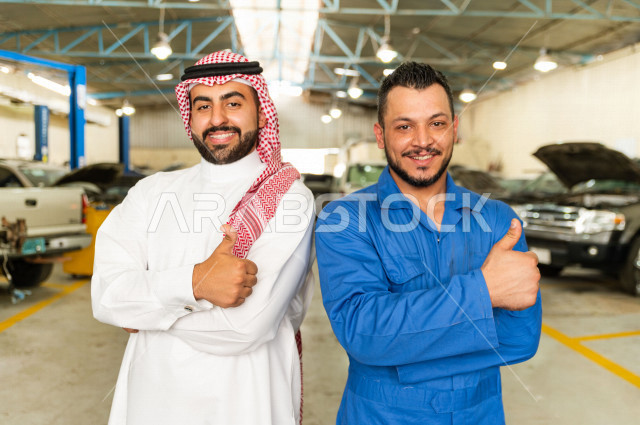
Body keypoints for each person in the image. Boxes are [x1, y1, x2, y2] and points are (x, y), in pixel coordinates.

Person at [92, 51, 315, 425]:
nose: (217, 119)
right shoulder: (150, 192)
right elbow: (106, 297)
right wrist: (195, 283)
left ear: (261, 113)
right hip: (150, 403)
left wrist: (148, 310)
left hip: (246, 403)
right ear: (188, 116)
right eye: (203, 105)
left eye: (233, 102)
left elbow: (244, 328)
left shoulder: (287, 197)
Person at [315, 62, 542, 425]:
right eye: (404, 126)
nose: (422, 141)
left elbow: (520, 340)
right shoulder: (344, 219)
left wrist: (404, 351)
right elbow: (364, 333)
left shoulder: (499, 220)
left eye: (436, 124)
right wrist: (484, 293)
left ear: (454, 129)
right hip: (380, 417)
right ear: (380, 134)